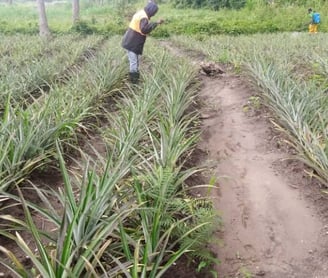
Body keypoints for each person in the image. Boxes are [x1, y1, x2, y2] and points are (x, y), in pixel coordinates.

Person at [122, 1, 164, 84]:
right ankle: (134, 83)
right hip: (132, 42)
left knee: (135, 61)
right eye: (154, 12)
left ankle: (134, 80)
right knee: (134, 62)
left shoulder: (141, 13)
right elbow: (144, 30)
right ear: (151, 10)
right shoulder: (144, 17)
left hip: (130, 41)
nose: (154, 14)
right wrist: (156, 23)